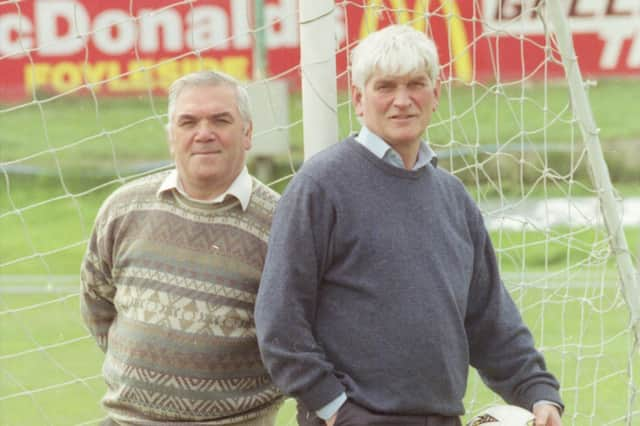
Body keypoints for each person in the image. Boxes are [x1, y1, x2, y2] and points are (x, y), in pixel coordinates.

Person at [254, 25, 563, 426]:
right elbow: (280, 320)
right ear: (359, 99)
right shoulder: (320, 186)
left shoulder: (453, 197)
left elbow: (490, 319)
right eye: (386, 86)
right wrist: (335, 410)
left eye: (416, 84)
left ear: (435, 95)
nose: (402, 100)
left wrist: (537, 392)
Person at [81, 71, 282, 425]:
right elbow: (97, 304)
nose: (203, 133)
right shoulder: (123, 208)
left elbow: (295, 338)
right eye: (188, 122)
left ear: (248, 132)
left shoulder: (282, 225)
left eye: (221, 120)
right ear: (171, 136)